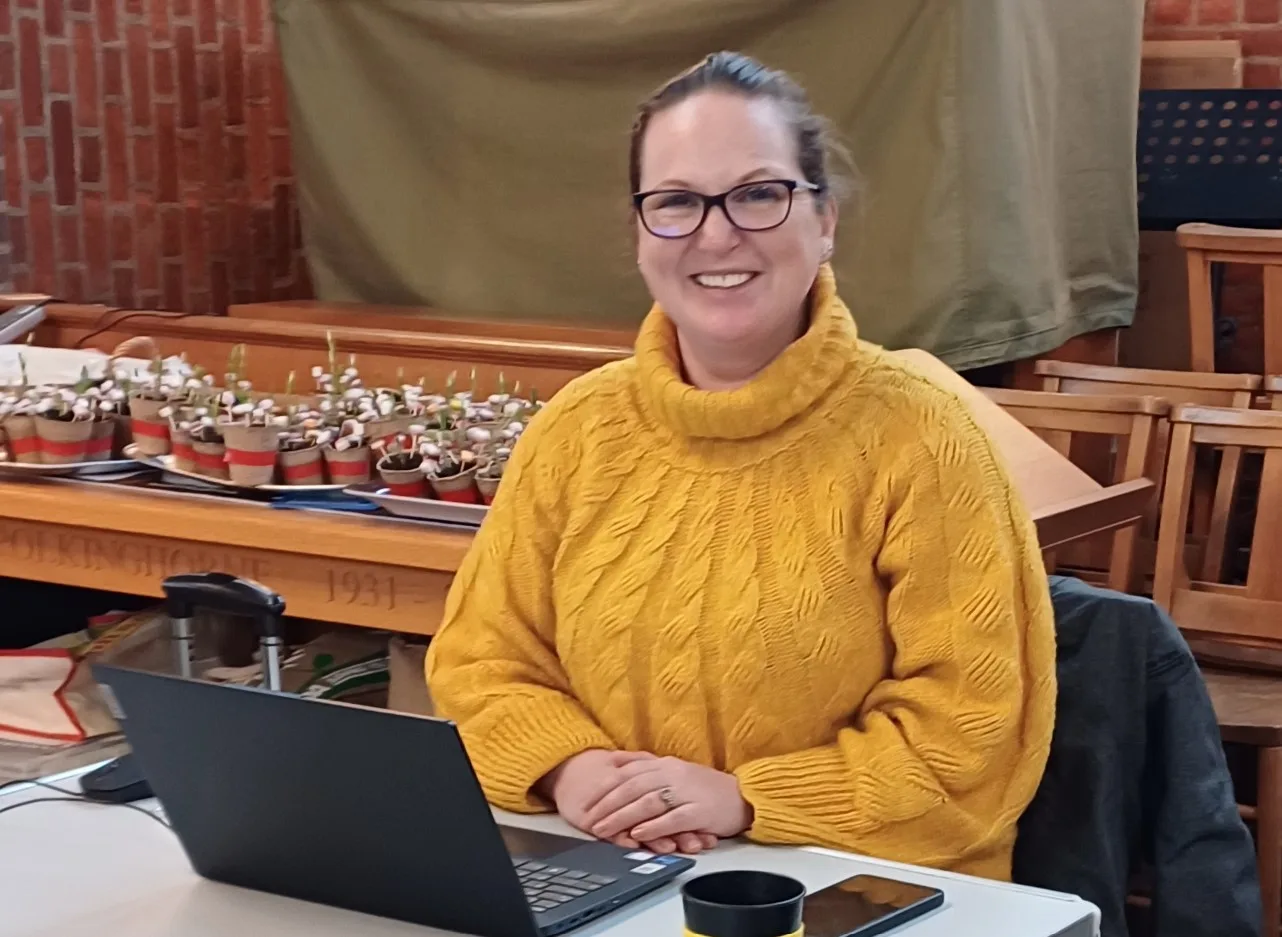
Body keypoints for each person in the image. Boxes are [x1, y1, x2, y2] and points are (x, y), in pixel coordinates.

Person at [426, 51, 1056, 882]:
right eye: (677, 202)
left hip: (861, 887)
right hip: (610, 869)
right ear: (640, 232)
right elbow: (481, 662)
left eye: (759, 193)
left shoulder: (924, 436)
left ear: (823, 218)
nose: (717, 233)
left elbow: (971, 731)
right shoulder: (576, 431)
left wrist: (744, 799)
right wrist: (569, 767)